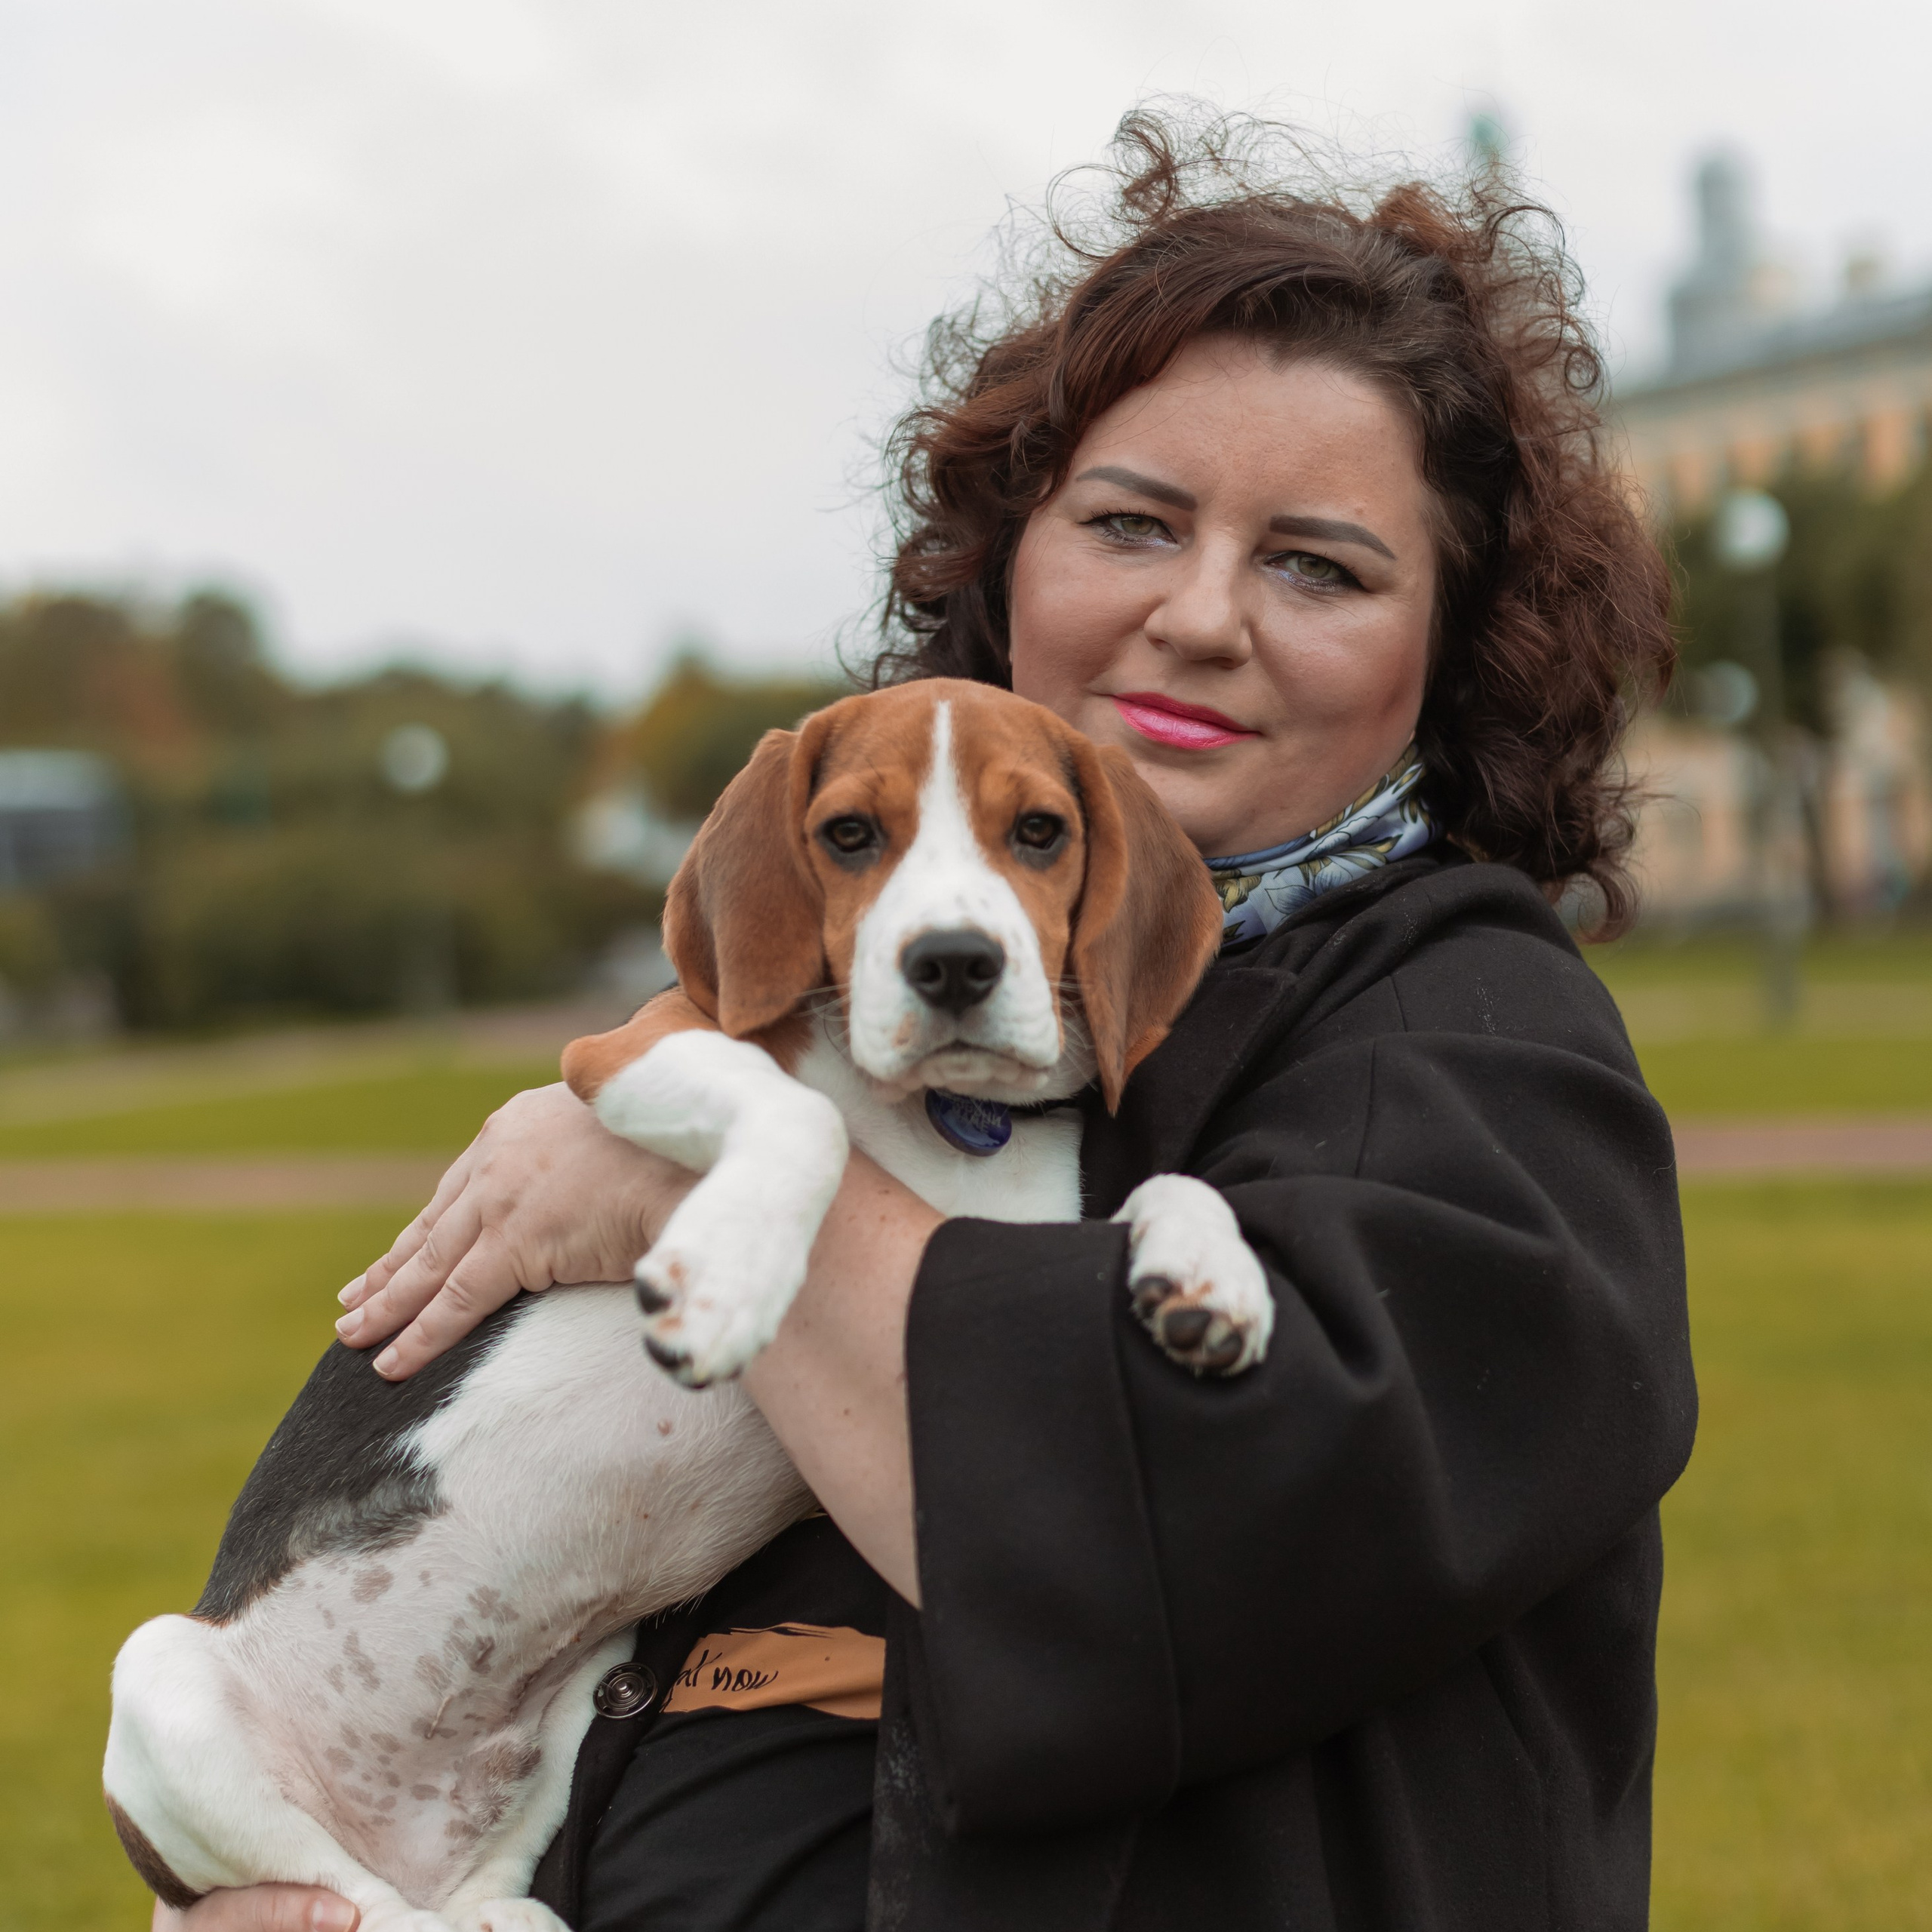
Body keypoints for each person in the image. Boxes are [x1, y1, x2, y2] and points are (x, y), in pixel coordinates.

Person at [162, 109, 1694, 1932]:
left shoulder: (1473, 1045)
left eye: (1317, 565)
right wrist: (271, 1870)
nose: (1197, 616)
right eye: (1128, 522)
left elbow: (1168, 1549)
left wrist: (686, 1186)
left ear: (1450, 643)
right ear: (1009, 554)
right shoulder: (853, 999)